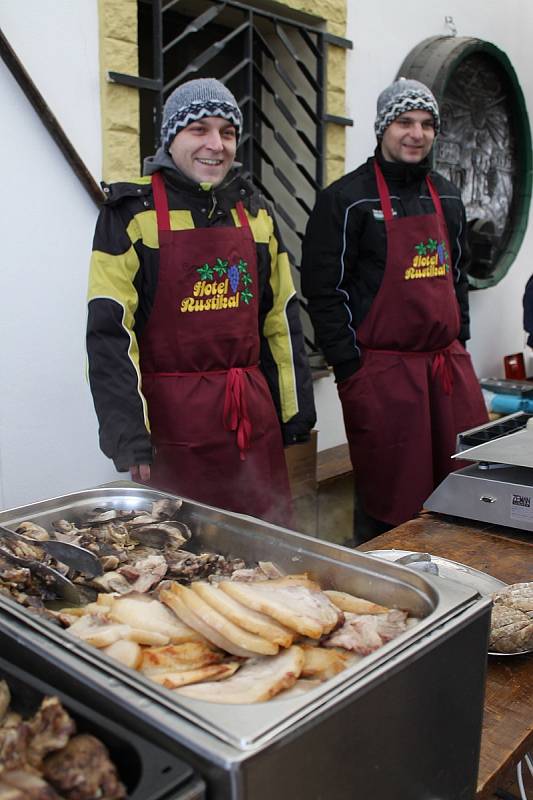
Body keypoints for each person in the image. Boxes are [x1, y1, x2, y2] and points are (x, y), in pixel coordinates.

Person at [87, 78, 316, 525]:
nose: (216, 145)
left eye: (227, 132)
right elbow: (109, 334)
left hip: (252, 417)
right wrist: (128, 435)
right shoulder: (130, 215)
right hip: (174, 426)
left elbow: (281, 320)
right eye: (199, 130)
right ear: (171, 137)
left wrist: (294, 413)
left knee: (266, 549)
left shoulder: (255, 213)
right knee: (185, 555)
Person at [301, 78, 488, 543]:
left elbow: (457, 274)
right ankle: (385, 579)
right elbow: (324, 291)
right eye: (405, 122)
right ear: (384, 127)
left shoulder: (446, 195)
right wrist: (350, 367)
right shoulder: (346, 199)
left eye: (427, 124)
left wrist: (459, 337)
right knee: (391, 497)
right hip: (383, 377)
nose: (416, 134)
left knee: (466, 487)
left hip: (446, 369)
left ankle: (460, 581)